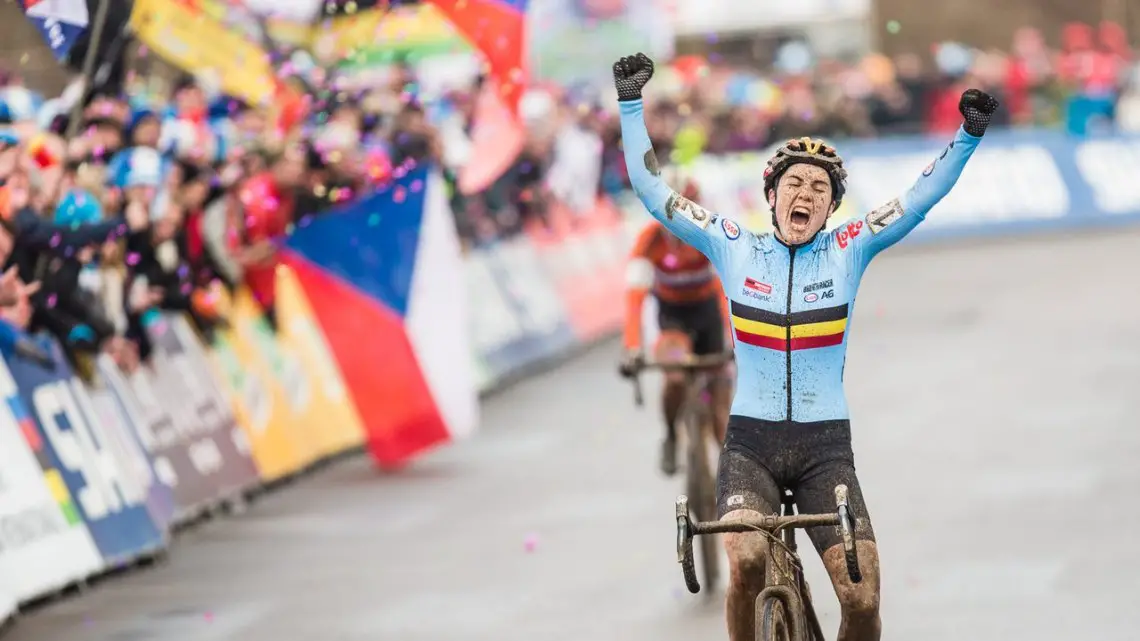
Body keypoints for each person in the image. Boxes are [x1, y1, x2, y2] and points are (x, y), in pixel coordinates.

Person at [613, 52, 999, 641]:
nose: (806, 192)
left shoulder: (849, 247)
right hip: (750, 446)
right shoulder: (733, 245)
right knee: (744, 564)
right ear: (772, 195)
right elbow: (648, 187)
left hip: (825, 449)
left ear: (830, 207)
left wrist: (967, 136)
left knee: (863, 599)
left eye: (820, 188)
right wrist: (632, 104)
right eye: (794, 182)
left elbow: (920, 198)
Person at [618, 178, 732, 476]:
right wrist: (632, 347)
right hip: (673, 319)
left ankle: (733, 470)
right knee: (675, 378)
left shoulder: (710, 236)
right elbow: (634, 299)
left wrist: (736, 340)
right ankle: (670, 434)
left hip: (707, 315)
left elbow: (726, 293)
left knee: (722, 416)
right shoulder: (648, 241)